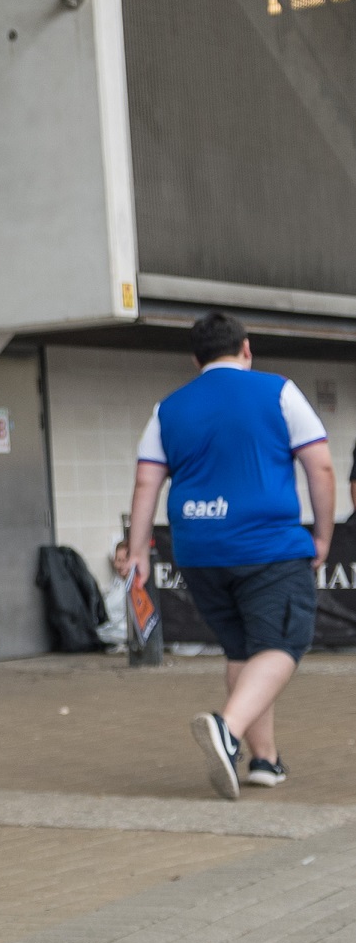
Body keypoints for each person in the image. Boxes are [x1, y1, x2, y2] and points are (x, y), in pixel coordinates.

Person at [123, 311, 335, 797]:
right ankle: (228, 729)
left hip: (198, 550)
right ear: (246, 348)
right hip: (268, 546)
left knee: (245, 649)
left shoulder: (168, 408)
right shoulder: (278, 391)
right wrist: (322, 536)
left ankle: (266, 760)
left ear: (196, 359)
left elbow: (146, 482)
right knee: (285, 642)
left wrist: (137, 551)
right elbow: (320, 466)